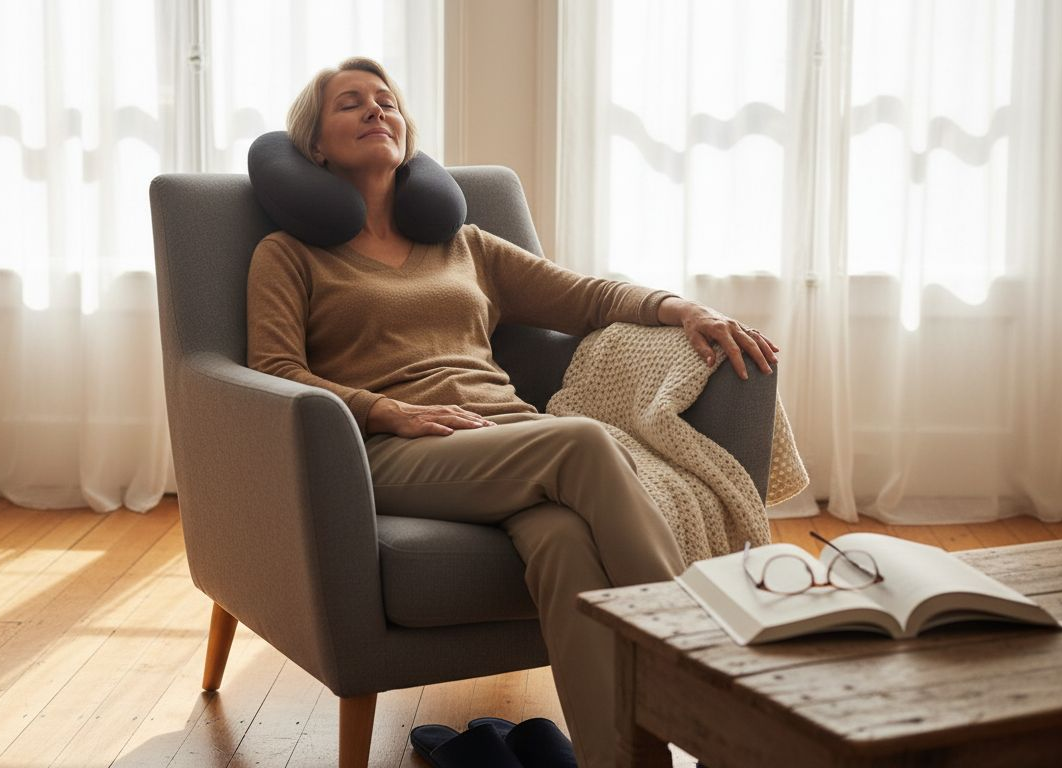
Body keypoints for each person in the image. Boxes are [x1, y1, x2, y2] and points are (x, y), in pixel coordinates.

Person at [246, 56, 779, 768]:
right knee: (584, 443)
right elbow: (274, 371)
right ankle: (713, 677)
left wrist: (682, 307)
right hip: (392, 451)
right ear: (315, 145)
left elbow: (585, 296)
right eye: (351, 104)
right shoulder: (288, 255)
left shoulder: (463, 245)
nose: (377, 111)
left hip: (508, 438)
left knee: (560, 541)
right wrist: (384, 410)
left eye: (386, 101)